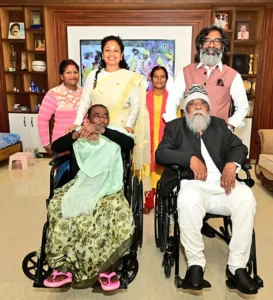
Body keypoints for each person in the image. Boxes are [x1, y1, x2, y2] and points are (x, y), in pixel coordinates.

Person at [155, 85, 257, 295]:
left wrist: (232, 164)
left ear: (209, 109)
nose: (198, 108)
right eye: (192, 105)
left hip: (222, 185)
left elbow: (240, 147)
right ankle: (195, 264)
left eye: (202, 104)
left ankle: (237, 267)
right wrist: (189, 159)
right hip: (192, 186)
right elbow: (161, 154)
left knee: (247, 197)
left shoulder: (219, 126)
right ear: (185, 110)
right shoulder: (175, 127)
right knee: (188, 200)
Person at [43, 104, 135, 290]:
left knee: (109, 210)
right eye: (96, 116)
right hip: (82, 183)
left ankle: (105, 268)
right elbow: (56, 147)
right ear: (88, 119)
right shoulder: (79, 133)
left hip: (109, 185)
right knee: (60, 206)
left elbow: (129, 144)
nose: (101, 119)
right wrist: (76, 135)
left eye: (105, 116)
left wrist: (103, 131)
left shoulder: (115, 132)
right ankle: (64, 267)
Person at [67, 35, 150, 188]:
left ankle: (114, 188)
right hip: (95, 125)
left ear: (122, 54)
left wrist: (129, 125)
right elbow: (85, 102)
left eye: (116, 50)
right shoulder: (94, 75)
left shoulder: (130, 78)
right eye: (107, 50)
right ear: (102, 54)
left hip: (119, 127)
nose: (111, 54)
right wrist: (76, 123)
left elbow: (135, 105)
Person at [164, 25, 249, 132]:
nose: (211, 45)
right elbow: (172, 101)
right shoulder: (186, 72)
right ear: (200, 46)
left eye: (217, 41)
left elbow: (242, 106)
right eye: (207, 41)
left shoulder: (233, 75)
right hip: (189, 136)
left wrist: (230, 126)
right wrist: (175, 127)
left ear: (222, 47)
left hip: (218, 138)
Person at [38, 59, 83, 155]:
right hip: (61, 142)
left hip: (83, 142)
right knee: (63, 169)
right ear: (62, 76)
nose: (73, 75)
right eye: (68, 72)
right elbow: (42, 119)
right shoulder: (53, 93)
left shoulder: (85, 93)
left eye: (75, 72)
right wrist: (46, 144)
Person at [144, 66, 169, 214]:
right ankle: (148, 202)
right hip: (147, 138)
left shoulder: (172, 98)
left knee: (162, 171)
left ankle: (161, 202)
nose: (159, 79)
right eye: (156, 76)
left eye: (162, 76)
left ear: (166, 79)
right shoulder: (144, 97)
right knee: (148, 170)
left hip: (164, 139)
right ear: (151, 78)